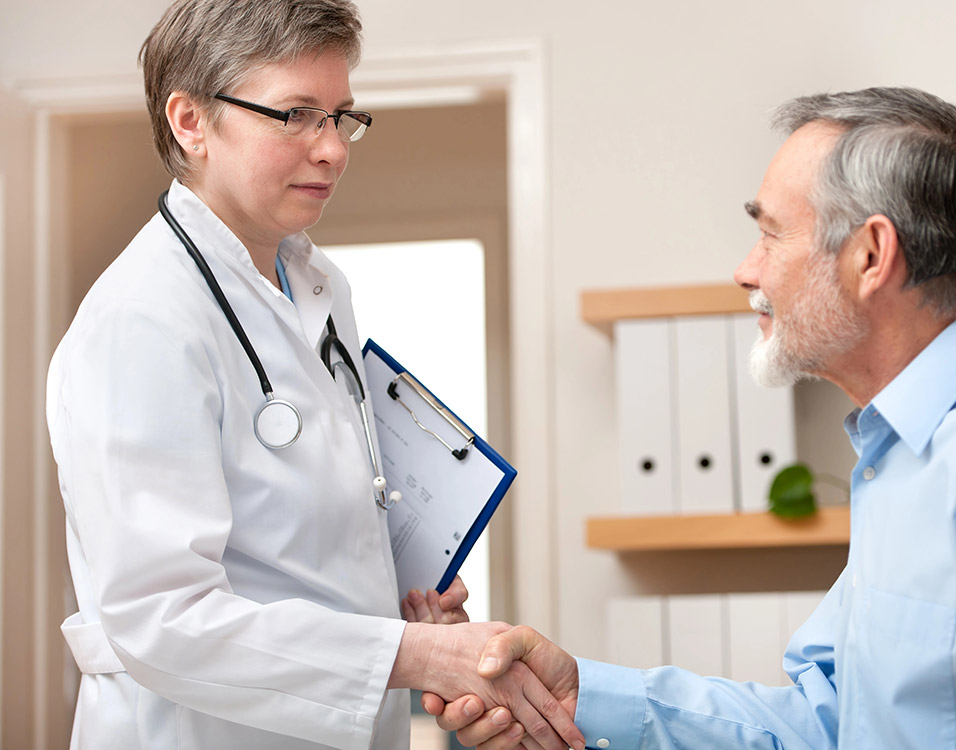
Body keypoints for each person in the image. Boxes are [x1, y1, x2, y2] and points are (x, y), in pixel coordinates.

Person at [427, 87, 956, 749]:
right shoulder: (903, 452)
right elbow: (824, 723)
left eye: (770, 233)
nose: (746, 269)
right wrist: (575, 695)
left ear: (870, 256)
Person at [45, 1, 583, 749]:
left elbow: (294, 543)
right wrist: (418, 655)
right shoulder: (140, 319)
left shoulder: (320, 286)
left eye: (341, 116)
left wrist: (405, 610)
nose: (333, 149)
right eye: (296, 115)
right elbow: (161, 620)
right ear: (190, 122)